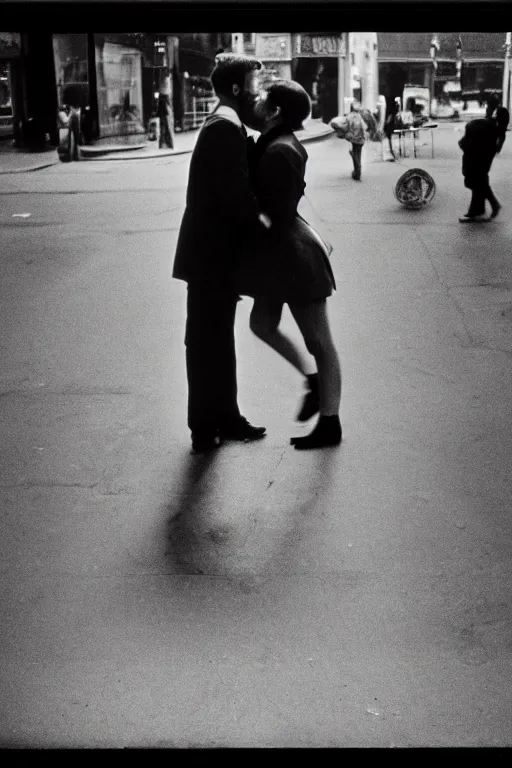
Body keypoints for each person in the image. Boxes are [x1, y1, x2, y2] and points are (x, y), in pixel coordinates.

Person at [236, 80, 342, 449]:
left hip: (293, 255)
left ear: (275, 111)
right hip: (280, 254)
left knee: (319, 341)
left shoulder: (280, 151)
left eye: (263, 98)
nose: (257, 101)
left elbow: (273, 214)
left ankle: (330, 421)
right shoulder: (274, 144)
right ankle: (314, 382)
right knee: (262, 324)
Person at [172, 54, 269, 453]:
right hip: (211, 257)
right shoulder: (224, 129)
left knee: (216, 338)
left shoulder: (227, 125)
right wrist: (268, 228)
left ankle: (225, 417)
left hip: (216, 256)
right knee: (205, 340)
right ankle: (205, 426)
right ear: (236, 89)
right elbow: (235, 200)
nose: (257, 93)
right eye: (253, 85)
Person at [458, 106, 509, 222]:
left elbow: (470, 138)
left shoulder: (488, 125)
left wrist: (465, 144)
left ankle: (480, 210)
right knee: (480, 183)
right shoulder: (498, 129)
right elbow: (495, 148)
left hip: (476, 158)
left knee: (477, 183)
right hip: (484, 159)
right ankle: (479, 210)